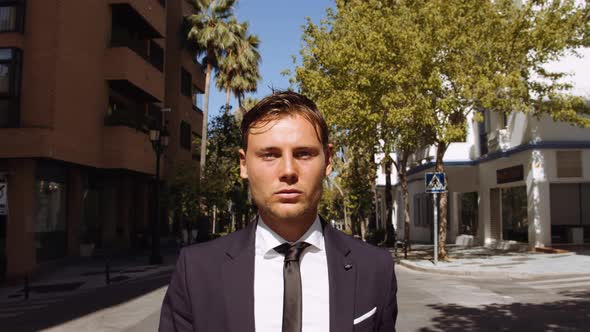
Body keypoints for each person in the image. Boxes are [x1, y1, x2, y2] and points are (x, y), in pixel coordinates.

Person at [159, 91, 398, 332]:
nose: (288, 170)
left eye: (303, 153)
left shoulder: (375, 268)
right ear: (244, 164)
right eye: (270, 155)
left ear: (327, 162)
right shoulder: (196, 270)